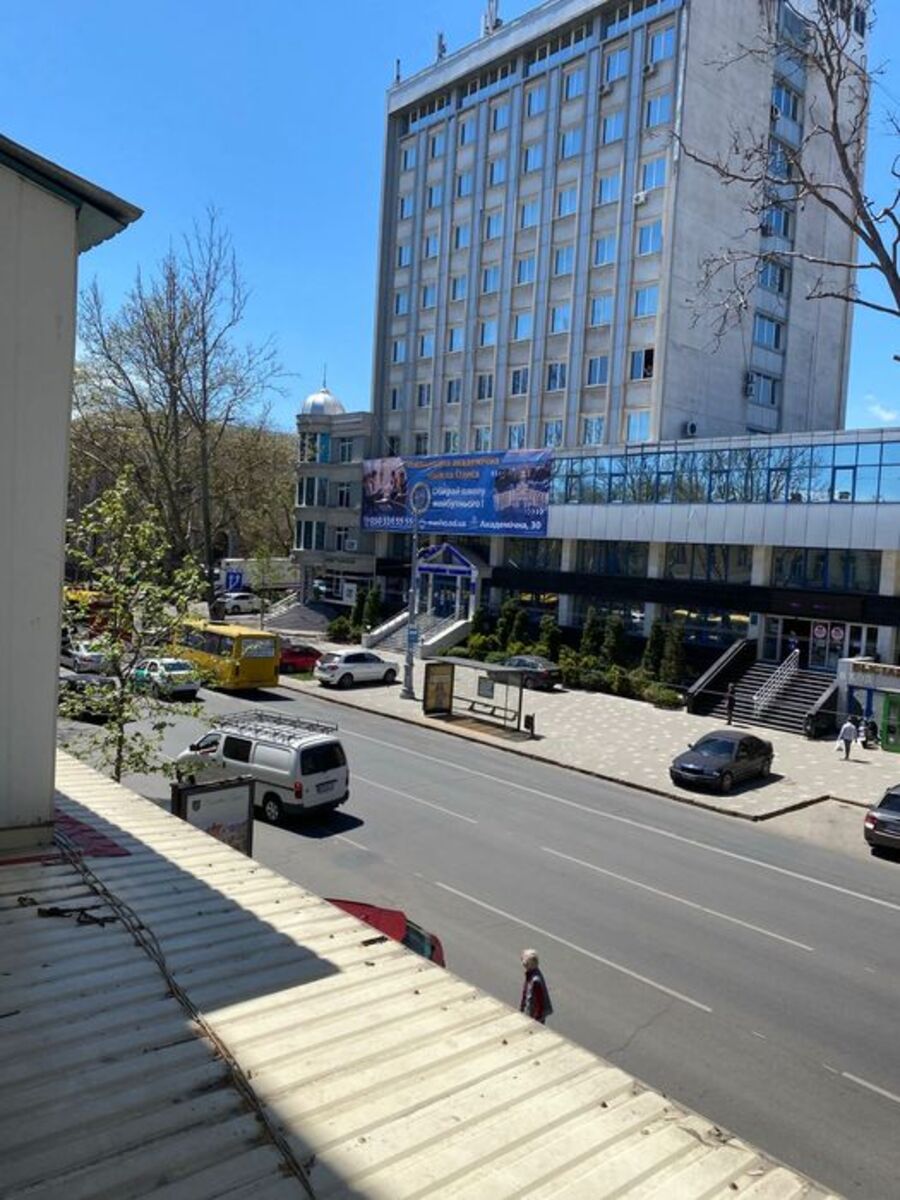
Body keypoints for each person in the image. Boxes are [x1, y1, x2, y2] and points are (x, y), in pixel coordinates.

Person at [520, 948, 553, 1024]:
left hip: (535, 1016)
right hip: (529, 1011)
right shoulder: (530, 973)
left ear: (532, 964)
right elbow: (525, 992)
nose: (523, 964)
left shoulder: (536, 981)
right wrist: (522, 1007)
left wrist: (535, 1021)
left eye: (526, 963)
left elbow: (540, 1004)